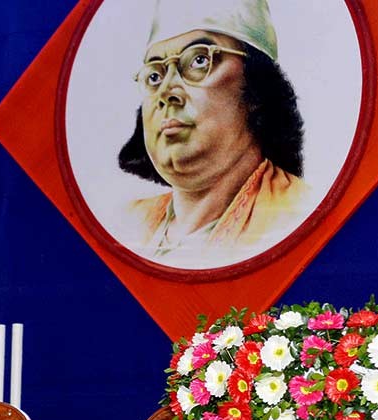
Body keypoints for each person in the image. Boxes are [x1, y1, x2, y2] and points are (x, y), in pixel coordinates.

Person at [118, 0, 310, 266]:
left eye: (198, 60)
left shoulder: (298, 214)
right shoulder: (128, 223)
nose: (166, 92)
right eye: (155, 76)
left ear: (257, 86)